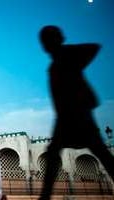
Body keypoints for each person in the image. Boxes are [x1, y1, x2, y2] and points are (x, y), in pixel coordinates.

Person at [38, 25, 114, 200]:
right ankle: (45, 195)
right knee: (54, 153)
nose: (47, 45)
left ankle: (44, 196)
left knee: (99, 151)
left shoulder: (66, 56)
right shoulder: (54, 66)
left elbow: (93, 48)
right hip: (64, 118)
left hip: (79, 115)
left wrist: (68, 52)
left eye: (50, 39)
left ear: (57, 39)